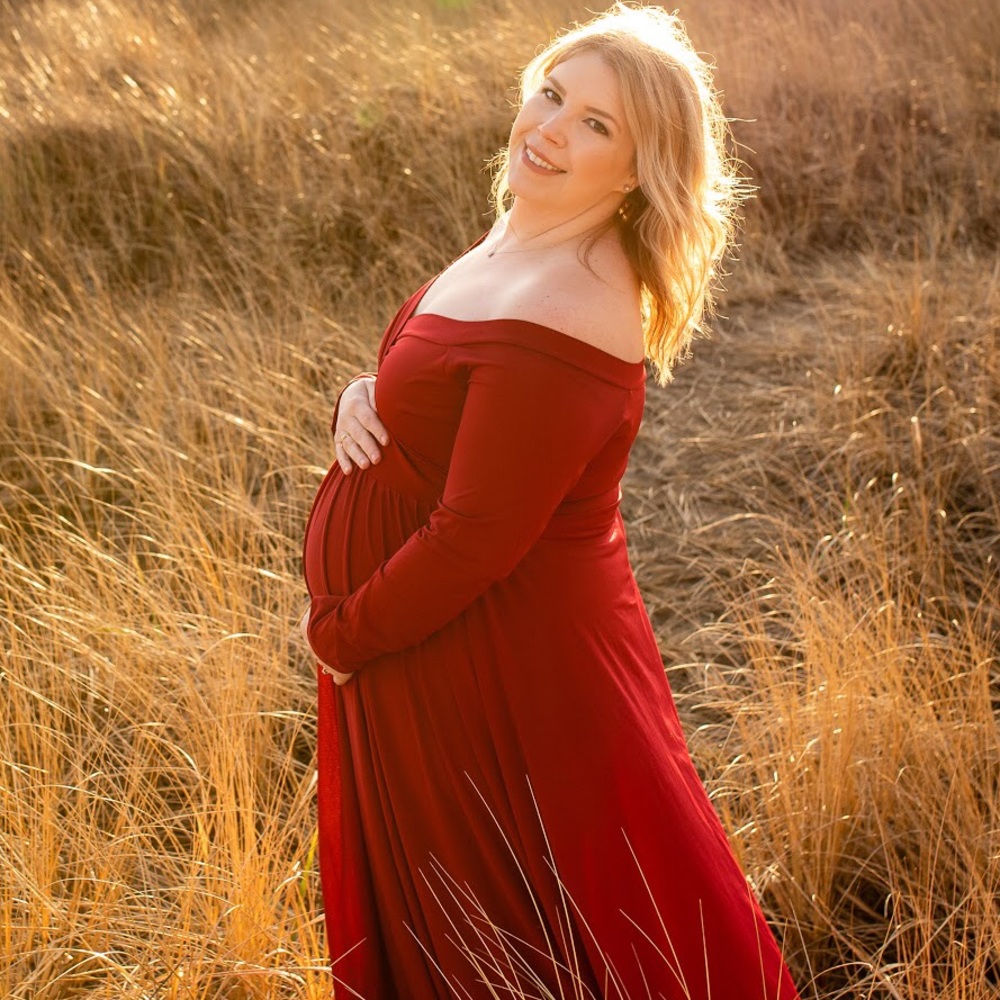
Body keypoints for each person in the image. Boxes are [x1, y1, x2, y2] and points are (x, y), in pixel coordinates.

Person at [300, 4, 803, 998]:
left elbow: (476, 536)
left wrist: (342, 636)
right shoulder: (524, 238)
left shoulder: (573, 299)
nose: (550, 129)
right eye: (554, 94)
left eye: (595, 126)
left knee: (517, 930)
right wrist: (367, 394)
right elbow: (453, 397)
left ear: (637, 171)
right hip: (428, 641)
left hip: (477, 662)